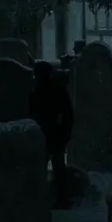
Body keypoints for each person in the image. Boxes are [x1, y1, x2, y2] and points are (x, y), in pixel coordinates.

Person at [29, 61, 74, 208]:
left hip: (46, 133)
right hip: (55, 134)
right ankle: (61, 198)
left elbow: (32, 114)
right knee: (57, 167)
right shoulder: (57, 90)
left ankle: (44, 198)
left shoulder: (36, 92)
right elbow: (68, 115)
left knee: (43, 167)